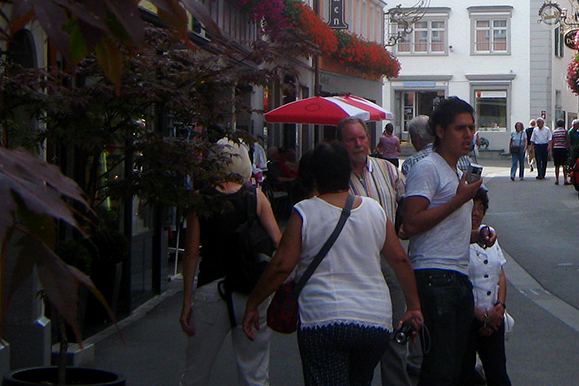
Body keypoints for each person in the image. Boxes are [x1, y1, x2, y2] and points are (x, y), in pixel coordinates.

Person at [241, 141, 423, 386]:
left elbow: (282, 265)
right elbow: (400, 260)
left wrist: (254, 302)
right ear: (347, 172)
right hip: (376, 322)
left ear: (314, 177)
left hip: (323, 319)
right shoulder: (374, 209)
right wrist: (413, 307)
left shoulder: (305, 212)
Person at [179, 139, 282, 386]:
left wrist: (186, 300)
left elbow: (191, 252)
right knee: (254, 372)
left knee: (196, 370)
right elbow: (279, 242)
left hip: (211, 288)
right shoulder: (255, 197)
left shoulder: (199, 199)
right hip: (250, 290)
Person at [400, 97, 482, 386]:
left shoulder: (456, 171)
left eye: (471, 128)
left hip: (457, 275)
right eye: (460, 128)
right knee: (441, 368)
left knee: (457, 366)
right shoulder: (428, 168)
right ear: (440, 132)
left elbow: (443, 229)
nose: (468, 135)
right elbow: (411, 222)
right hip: (435, 275)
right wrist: (458, 200)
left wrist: (477, 235)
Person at [338, 117, 413, 386]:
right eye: (351, 139)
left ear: (370, 140)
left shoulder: (388, 169)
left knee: (395, 330)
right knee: (361, 334)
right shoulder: (335, 178)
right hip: (353, 263)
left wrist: (404, 225)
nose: (358, 144)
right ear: (341, 144)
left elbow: (405, 200)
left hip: (389, 258)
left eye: (362, 138)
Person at [467, 188, 512, 386]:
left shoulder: (489, 234)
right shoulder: (454, 238)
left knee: (498, 375)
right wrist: (480, 317)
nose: (475, 213)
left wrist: (500, 307)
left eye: (480, 208)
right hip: (467, 319)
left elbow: (501, 275)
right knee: (465, 375)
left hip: (494, 317)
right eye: (471, 207)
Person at [550, 119, 571, 185]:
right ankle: (565, 180)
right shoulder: (565, 131)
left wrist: (551, 150)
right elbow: (567, 140)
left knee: (557, 165)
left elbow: (553, 141)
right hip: (563, 149)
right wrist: (570, 148)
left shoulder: (554, 132)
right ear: (563, 124)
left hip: (556, 149)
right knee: (564, 165)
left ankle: (557, 180)